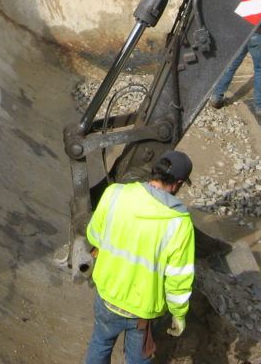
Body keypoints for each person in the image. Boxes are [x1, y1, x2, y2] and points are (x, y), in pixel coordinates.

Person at [84, 151, 196, 364]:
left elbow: (93, 235)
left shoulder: (115, 193)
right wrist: (178, 314)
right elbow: (178, 280)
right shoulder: (179, 224)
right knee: (138, 359)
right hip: (141, 312)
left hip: (107, 295)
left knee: (100, 344)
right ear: (177, 183)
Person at [209, 23, 261, 114]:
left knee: (231, 65)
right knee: (260, 69)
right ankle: (260, 105)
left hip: (242, 31)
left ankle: (216, 97)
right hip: (259, 33)